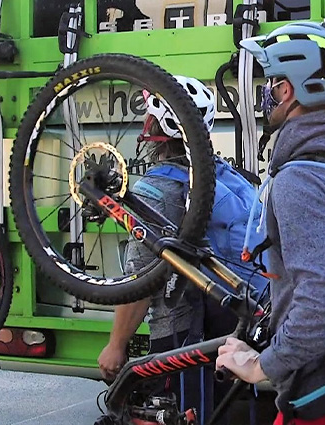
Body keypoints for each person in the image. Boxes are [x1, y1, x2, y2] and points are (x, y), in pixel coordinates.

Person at [216, 21, 325, 425]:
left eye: (272, 81)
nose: (267, 93)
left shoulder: (301, 179)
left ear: (288, 89)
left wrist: (263, 365)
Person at [98, 75, 266, 424]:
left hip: (183, 337)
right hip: (240, 330)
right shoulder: (225, 175)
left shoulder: (157, 188)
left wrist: (116, 346)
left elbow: (142, 282)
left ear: (155, 127)